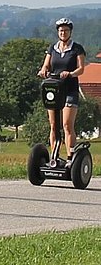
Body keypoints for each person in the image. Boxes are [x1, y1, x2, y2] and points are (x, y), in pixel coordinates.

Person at [37, 17, 86, 164]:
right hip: (54, 90)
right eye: (61, 31)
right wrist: (43, 71)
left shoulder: (77, 48)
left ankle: (71, 157)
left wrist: (70, 73)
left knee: (66, 124)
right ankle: (55, 157)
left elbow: (81, 69)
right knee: (53, 125)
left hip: (70, 89)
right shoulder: (53, 48)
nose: (63, 33)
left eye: (66, 30)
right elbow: (46, 65)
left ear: (70, 32)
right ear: (57, 32)